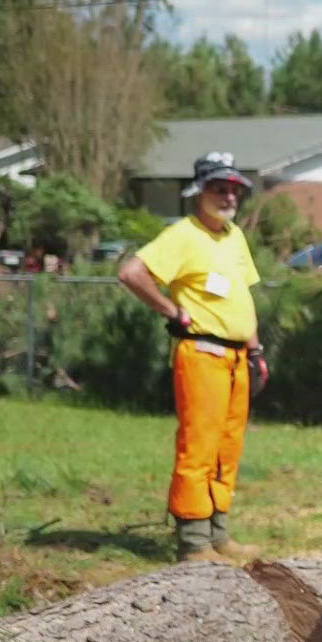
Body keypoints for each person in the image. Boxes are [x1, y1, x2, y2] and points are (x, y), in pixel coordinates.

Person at [117, 153, 267, 564]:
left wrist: (255, 350)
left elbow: (241, 296)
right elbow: (132, 273)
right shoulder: (183, 235)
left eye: (235, 189)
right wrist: (172, 312)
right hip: (202, 353)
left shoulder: (233, 236)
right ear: (198, 192)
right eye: (220, 188)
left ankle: (219, 535)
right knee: (199, 445)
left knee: (227, 446)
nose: (229, 196)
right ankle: (194, 543)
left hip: (238, 358)